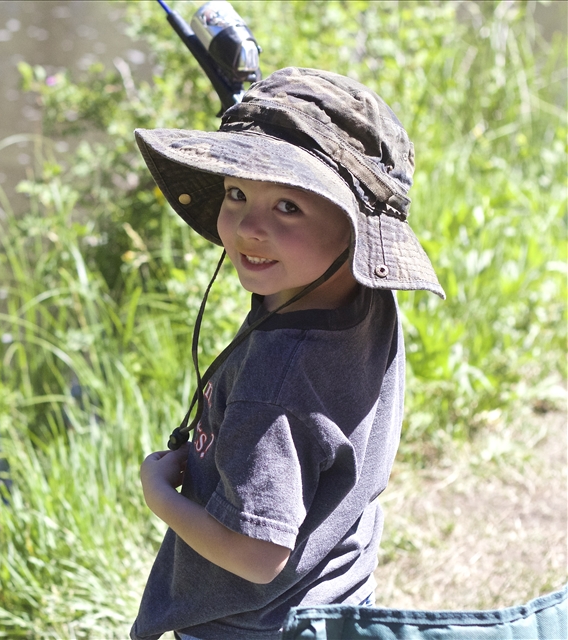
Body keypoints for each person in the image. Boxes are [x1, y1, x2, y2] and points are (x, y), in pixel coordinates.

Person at [129, 67, 445, 640]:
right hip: (337, 593)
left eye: (288, 208)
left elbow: (257, 555)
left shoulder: (274, 385)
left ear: (353, 228)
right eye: (236, 192)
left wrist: (159, 496)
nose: (249, 228)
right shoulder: (363, 298)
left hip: (248, 625)